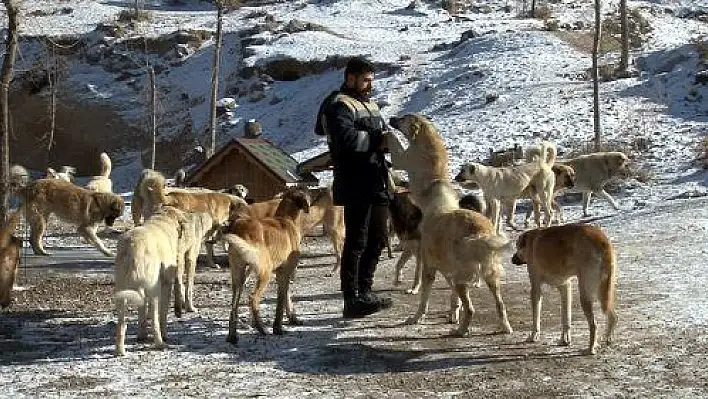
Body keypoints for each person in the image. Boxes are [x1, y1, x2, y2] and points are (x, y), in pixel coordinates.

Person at [315, 56, 394, 319]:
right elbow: (345, 141)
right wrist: (378, 140)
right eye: (366, 80)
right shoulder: (339, 105)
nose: (370, 85)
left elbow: (381, 135)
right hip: (355, 179)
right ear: (351, 78)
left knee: (380, 237)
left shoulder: (369, 104)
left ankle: (366, 290)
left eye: (371, 80)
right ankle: (352, 298)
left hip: (376, 177)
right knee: (356, 240)